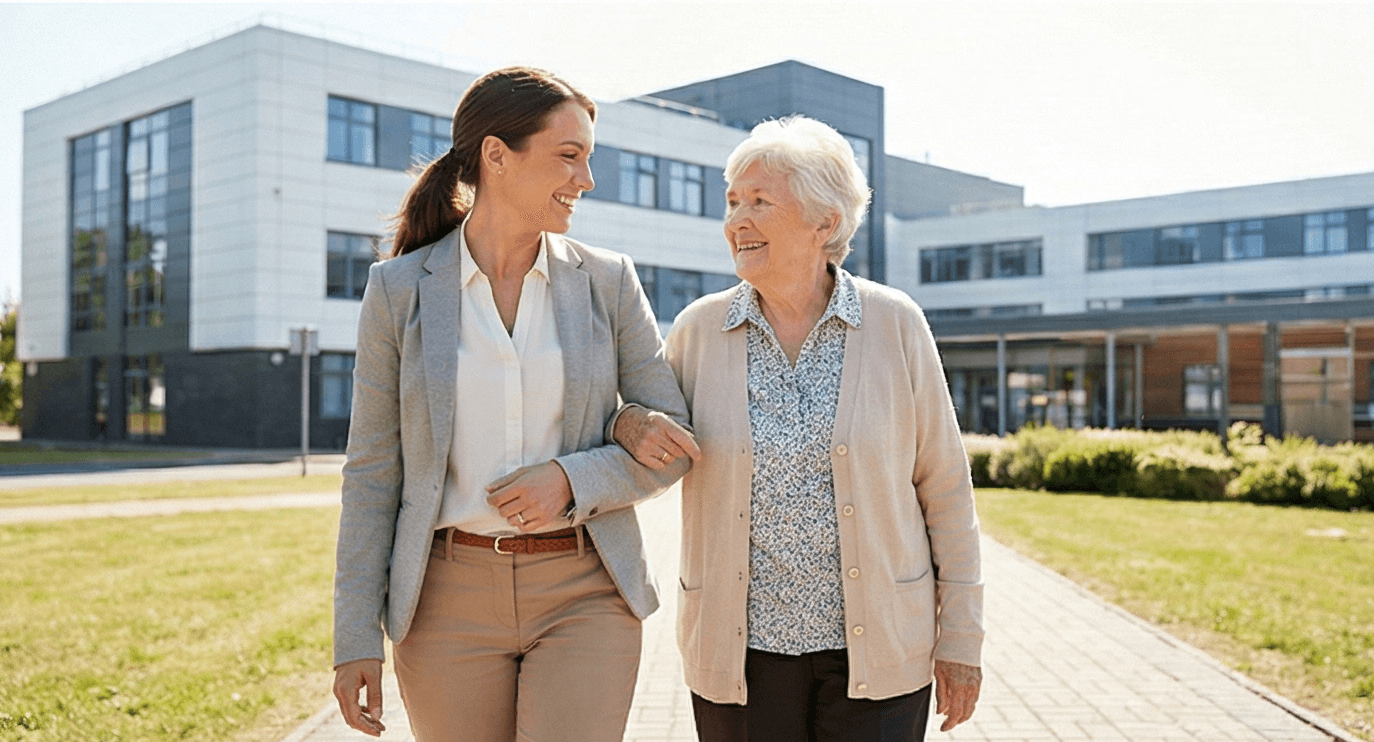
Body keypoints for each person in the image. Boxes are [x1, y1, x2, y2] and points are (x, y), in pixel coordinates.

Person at [331, 66, 700, 742]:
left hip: (586, 590)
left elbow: (673, 440)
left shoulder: (608, 281)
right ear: (496, 155)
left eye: (588, 159)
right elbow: (372, 472)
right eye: (569, 156)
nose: (585, 180)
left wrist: (572, 478)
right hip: (444, 603)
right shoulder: (398, 290)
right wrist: (355, 634)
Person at [614, 115, 984, 741]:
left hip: (881, 654)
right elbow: (646, 435)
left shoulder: (894, 324)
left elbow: (946, 490)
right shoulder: (699, 331)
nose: (738, 220)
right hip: (742, 658)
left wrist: (963, 637)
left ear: (825, 223)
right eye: (732, 203)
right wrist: (627, 423)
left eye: (760, 201)